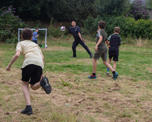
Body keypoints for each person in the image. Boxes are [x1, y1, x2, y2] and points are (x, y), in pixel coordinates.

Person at [6, 28, 51, 115]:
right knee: (34, 86)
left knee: (24, 84)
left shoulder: (20, 43)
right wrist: (41, 72)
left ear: (21, 36)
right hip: (39, 64)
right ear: (31, 37)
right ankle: (42, 82)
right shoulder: (36, 45)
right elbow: (42, 58)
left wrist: (9, 66)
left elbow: (17, 54)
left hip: (28, 63)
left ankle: (28, 107)